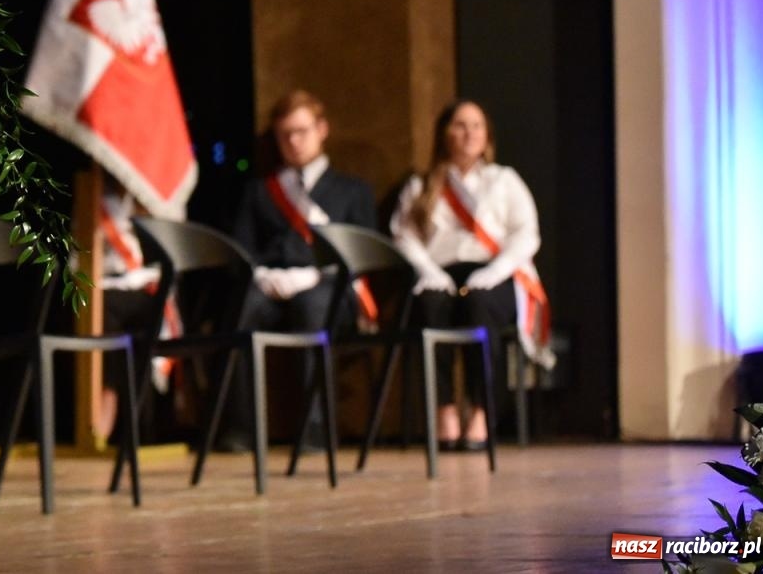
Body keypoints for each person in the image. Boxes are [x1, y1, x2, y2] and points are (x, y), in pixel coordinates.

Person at [390, 98, 553, 451]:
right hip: (441, 274)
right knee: (431, 306)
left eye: (477, 125)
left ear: (487, 135)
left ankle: (481, 411)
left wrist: (496, 271)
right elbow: (403, 235)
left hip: (493, 276)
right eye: (460, 125)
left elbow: (527, 233)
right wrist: (428, 271)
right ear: (444, 133)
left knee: (480, 306)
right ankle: (445, 410)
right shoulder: (422, 184)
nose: (469, 133)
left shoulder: (504, 180)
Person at [220, 89, 378, 450]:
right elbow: (241, 252)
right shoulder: (260, 191)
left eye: (301, 131)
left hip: (330, 287)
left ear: (322, 129)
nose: (293, 141)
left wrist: (317, 275)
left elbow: (364, 253)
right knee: (243, 305)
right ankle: (240, 429)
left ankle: (315, 429)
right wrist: (263, 275)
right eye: (284, 134)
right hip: (272, 283)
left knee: (313, 308)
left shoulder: (352, 190)